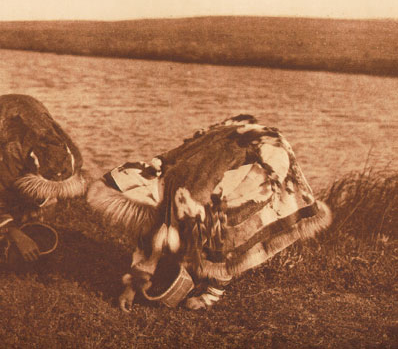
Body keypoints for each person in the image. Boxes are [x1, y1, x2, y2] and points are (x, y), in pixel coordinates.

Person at [87, 114, 332, 311]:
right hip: (225, 143)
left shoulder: (192, 194)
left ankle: (214, 290)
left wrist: (136, 281)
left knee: (230, 225)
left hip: (265, 154)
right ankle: (195, 267)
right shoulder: (160, 174)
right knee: (180, 225)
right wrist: (134, 283)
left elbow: (162, 234)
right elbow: (152, 233)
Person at [0, 94, 85, 264]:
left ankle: (26, 226)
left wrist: (35, 209)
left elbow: (50, 194)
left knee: (37, 202)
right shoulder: (15, 153)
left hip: (23, 114)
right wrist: (15, 234)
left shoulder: (74, 158)